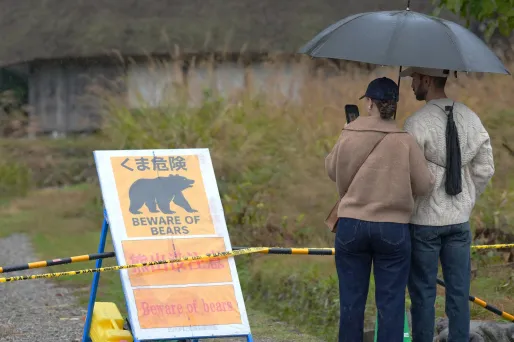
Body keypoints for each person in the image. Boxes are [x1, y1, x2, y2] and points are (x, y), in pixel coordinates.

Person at [325, 77, 435, 342]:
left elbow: (330, 169)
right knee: (391, 304)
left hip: (351, 225)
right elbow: (424, 185)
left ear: (370, 103)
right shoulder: (404, 140)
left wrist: (346, 133)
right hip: (392, 229)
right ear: (394, 107)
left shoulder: (350, 131)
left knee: (351, 303)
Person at [400, 67, 495, 342]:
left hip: (424, 223)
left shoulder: (415, 123)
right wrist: (467, 198)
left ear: (427, 80)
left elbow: (408, 174)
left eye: (415, 79)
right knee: (458, 292)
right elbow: (485, 168)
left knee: (422, 294)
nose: (411, 85)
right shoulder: (471, 118)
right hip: (459, 222)